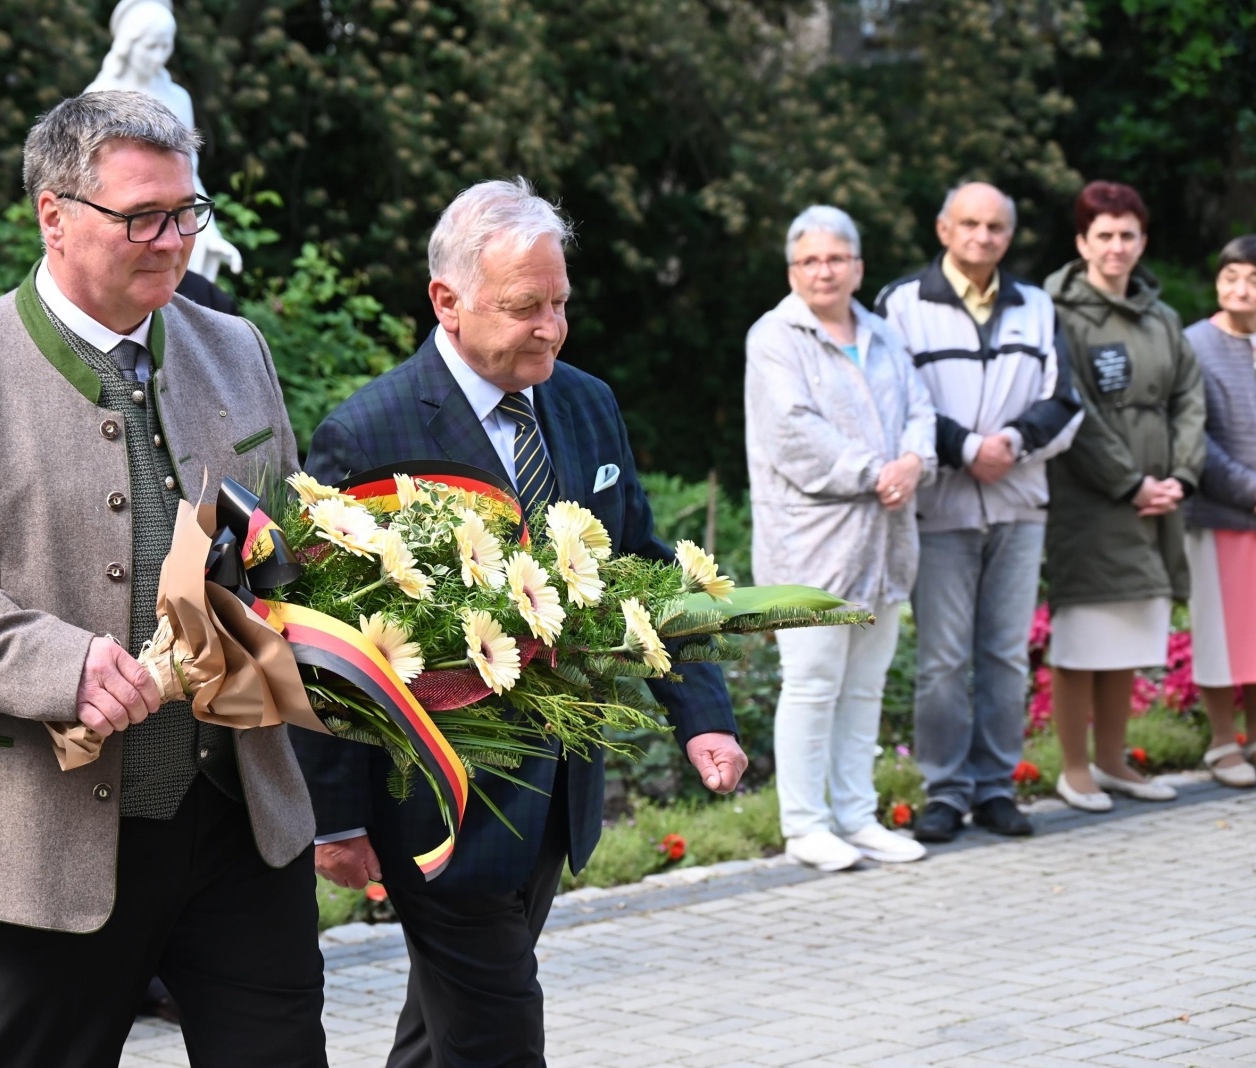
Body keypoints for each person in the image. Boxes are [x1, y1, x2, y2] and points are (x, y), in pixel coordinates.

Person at [0, 92, 324, 1068]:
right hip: (40, 838)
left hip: (240, 818)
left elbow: (289, 540)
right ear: (53, 215)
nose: (174, 239)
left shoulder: (238, 349)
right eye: (142, 216)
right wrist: (55, 662)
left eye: (188, 211)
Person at [292, 178, 747, 1068]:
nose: (550, 327)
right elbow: (325, 644)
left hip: (556, 797)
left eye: (560, 303)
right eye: (524, 307)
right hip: (439, 807)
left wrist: (706, 717)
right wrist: (334, 819)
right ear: (447, 302)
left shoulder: (584, 403)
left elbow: (643, 571)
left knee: (445, 1034)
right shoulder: (369, 432)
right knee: (499, 1041)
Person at [875, 183, 1082, 843]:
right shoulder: (902, 304)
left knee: (1005, 657)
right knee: (940, 660)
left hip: (1021, 506)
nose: (982, 236)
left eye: (995, 226)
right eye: (969, 223)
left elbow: (1065, 401)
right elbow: (892, 401)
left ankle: (995, 787)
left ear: (1008, 236)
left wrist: (1012, 444)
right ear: (943, 229)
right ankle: (945, 790)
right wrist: (966, 448)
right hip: (942, 510)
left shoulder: (1038, 306)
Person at [746, 205, 937, 872]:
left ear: (858, 267)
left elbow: (920, 410)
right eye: (809, 261)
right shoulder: (774, 337)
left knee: (865, 686)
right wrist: (875, 471)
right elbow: (794, 433)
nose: (823, 271)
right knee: (812, 681)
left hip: (884, 541)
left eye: (835, 259)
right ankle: (804, 825)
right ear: (792, 270)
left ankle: (858, 817)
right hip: (812, 547)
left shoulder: (883, 334)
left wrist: (914, 462)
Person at [1043, 181, 1206, 811]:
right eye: (1104, 235)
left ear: (1143, 241)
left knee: (1130, 639)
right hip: (1092, 500)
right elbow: (1071, 407)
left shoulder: (1162, 317)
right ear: (1082, 242)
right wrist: (1130, 481)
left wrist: (1179, 479)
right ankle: (1076, 769)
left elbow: (1190, 397)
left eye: (1127, 235)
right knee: (1083, 640)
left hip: (1160, 498)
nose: (1116, 247)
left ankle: (1115, 762)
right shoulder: (1056, 313)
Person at [1182, 235, 1256, 788]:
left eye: (1253, 279)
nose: (1239, 289)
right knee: (1221, 634)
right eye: (1230, 277)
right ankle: (1223, 742)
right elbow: (1192, 434)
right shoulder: (1193, 345)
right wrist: (1253, 489)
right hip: (1221, 513)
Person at [85, 0, 241, 281]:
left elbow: (188, 174)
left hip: (171, 226)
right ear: (128, 42)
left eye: (164, 46)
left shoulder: (177, 98)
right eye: (150, 46)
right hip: (121, 226)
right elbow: (84, 184)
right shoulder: (98, 99)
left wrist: (210, 234)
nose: (157, 57)